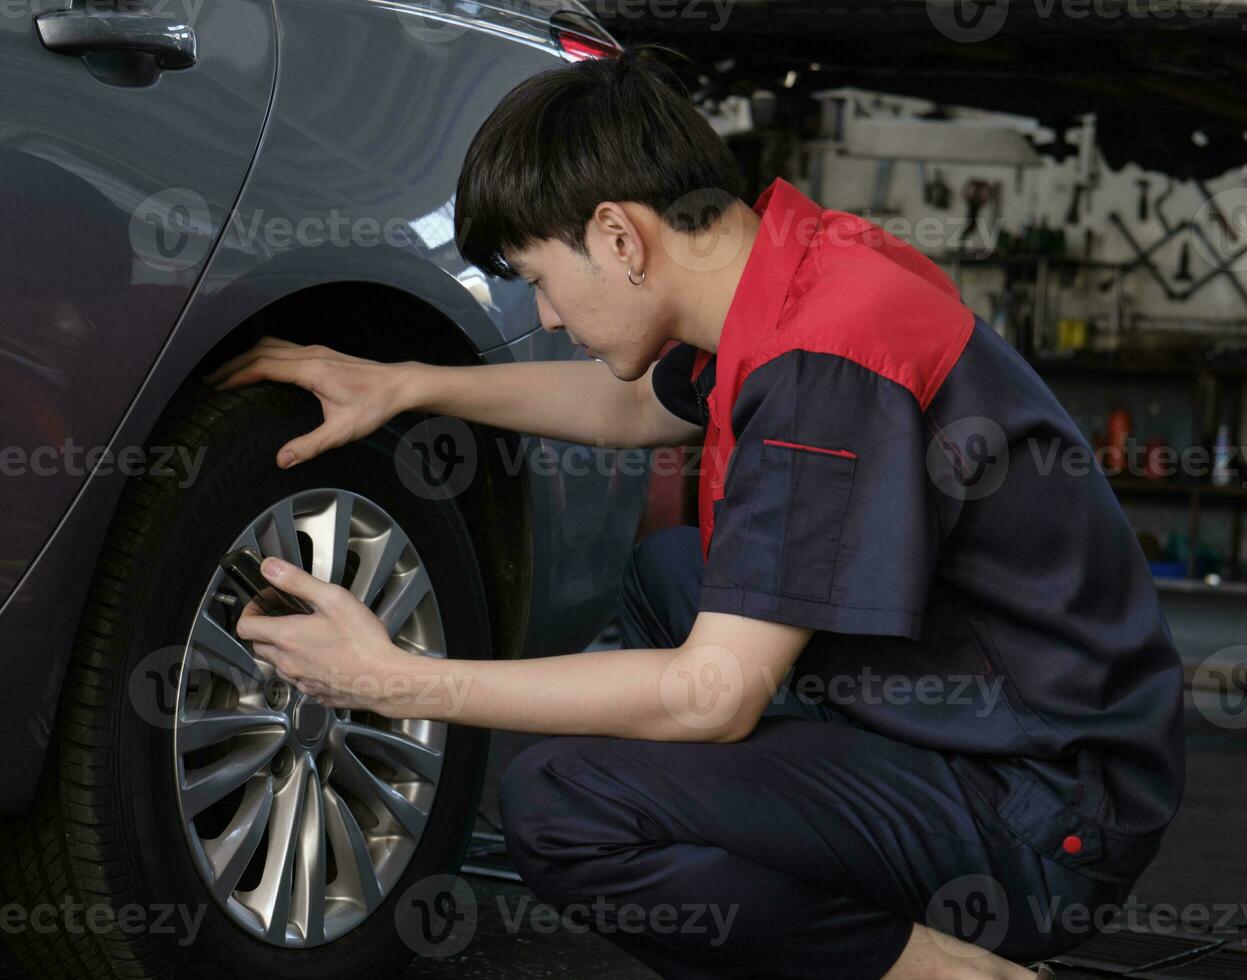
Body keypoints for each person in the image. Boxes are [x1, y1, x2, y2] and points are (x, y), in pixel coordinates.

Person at [204, 45, 1184, 980]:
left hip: (1044, 816)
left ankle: (928, 961)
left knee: (559, 803)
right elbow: (633, 404)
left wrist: (398, 679)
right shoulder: (796, 265)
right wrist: (405, 382)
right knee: (670, 572)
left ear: (620, 236)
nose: (545, 316)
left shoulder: (819, 371)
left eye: (541, 278)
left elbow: (713, 693)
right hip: (1012, 724)